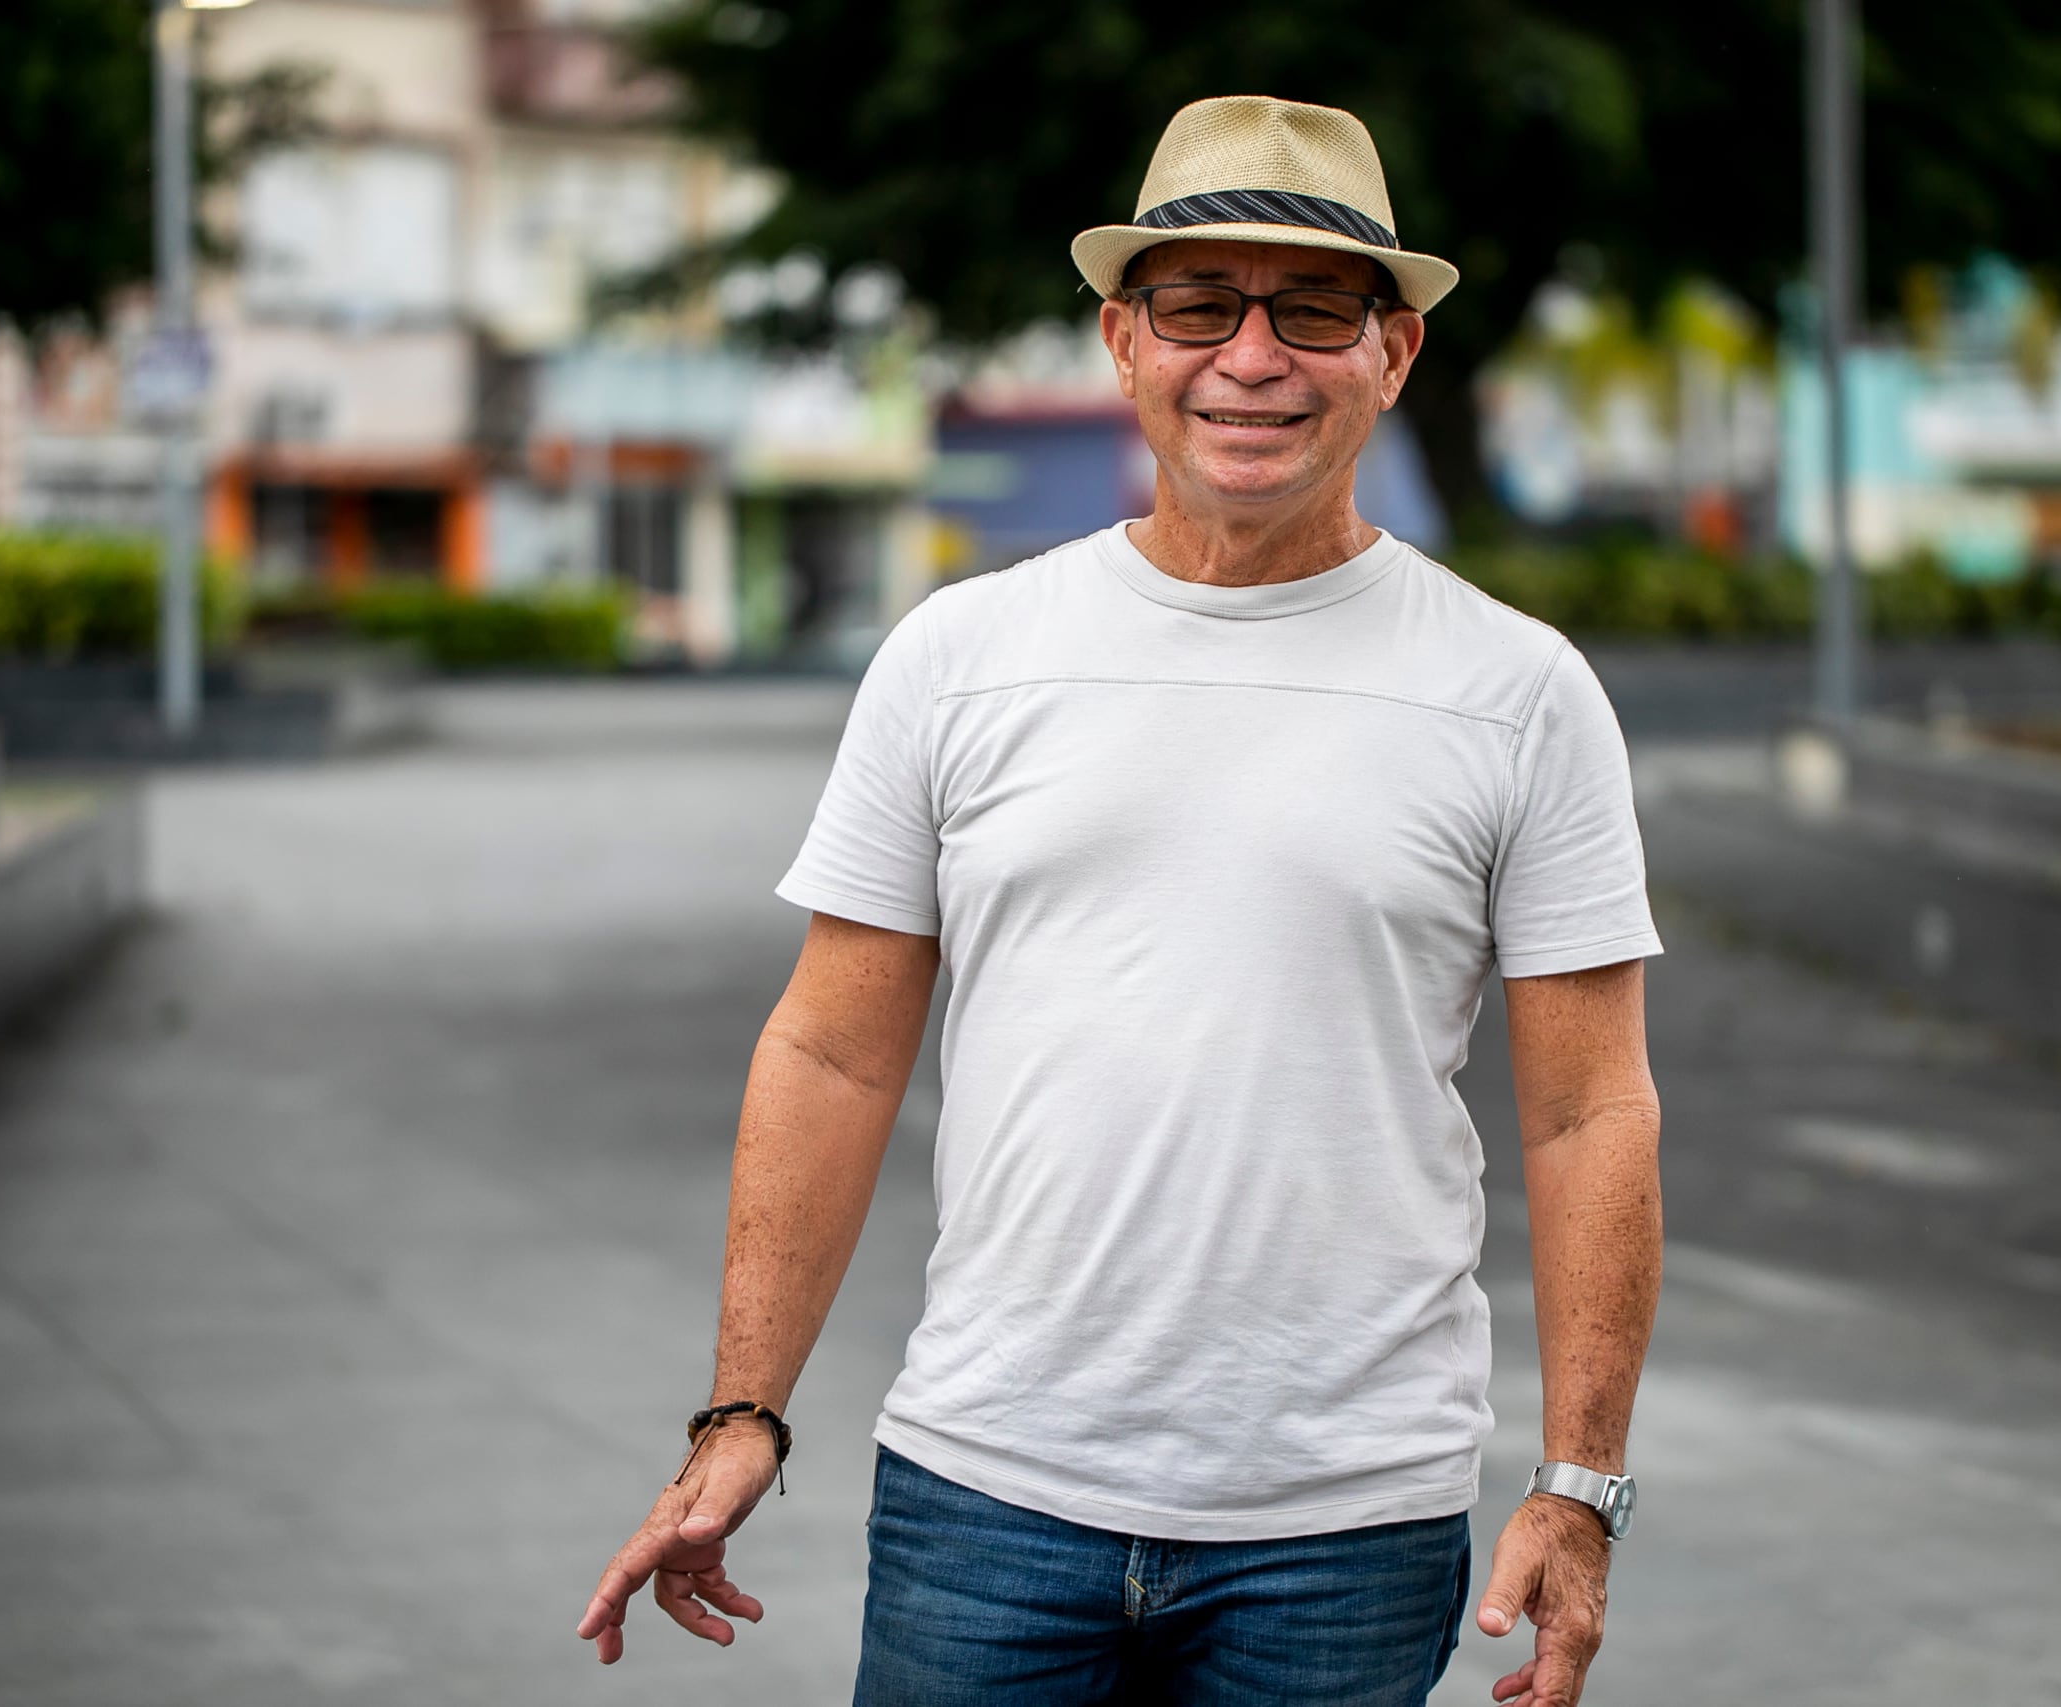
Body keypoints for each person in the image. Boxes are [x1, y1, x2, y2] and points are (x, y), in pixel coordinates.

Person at [576, 94, 1664, 1707]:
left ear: (1396, 355)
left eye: (1312, 310)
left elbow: (1589, 1114)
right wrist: (742, 1411)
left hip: (1349, 1524)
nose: (1252, 356)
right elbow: (831, 1054)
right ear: (1122, 339)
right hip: (988, 1492)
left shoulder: (1519, 692)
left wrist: (1580, 1488)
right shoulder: (960, 658)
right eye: (1199, 305)